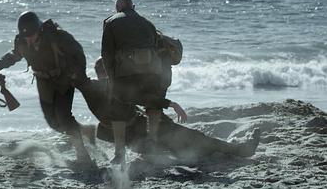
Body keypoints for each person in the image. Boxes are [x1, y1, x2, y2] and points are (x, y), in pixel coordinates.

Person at [81, 57, 260, 163]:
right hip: (150, 133)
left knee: (189, 146)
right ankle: (242, 150)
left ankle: (221, 152)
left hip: (140, 141)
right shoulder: (116, 87)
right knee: (198, 139)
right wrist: (170, 103)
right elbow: (145, 99)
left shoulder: (92, 89)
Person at [0, 11, 96, 169]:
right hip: (43, 81)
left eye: (32, 35)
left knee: (64, 117)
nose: (29, 39)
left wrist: (78, 75)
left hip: (63, 80)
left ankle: (82, 155)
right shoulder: (22, 40)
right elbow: (15, 55)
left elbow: (78, 53)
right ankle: (86, 131)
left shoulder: (58, 36)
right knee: (53, 123)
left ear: (39, 29)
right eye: (26, 36)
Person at [101, 0, 165, 165]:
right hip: (152, 72)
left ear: (117, 8)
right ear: (133, 7)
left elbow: (106, 54)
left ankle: (120, 153)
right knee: (153, 106)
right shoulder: (148, 23)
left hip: (126, 72)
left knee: (118, 110)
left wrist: (111, 78)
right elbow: (156, 47)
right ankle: (152, 145)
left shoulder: (111, 22)